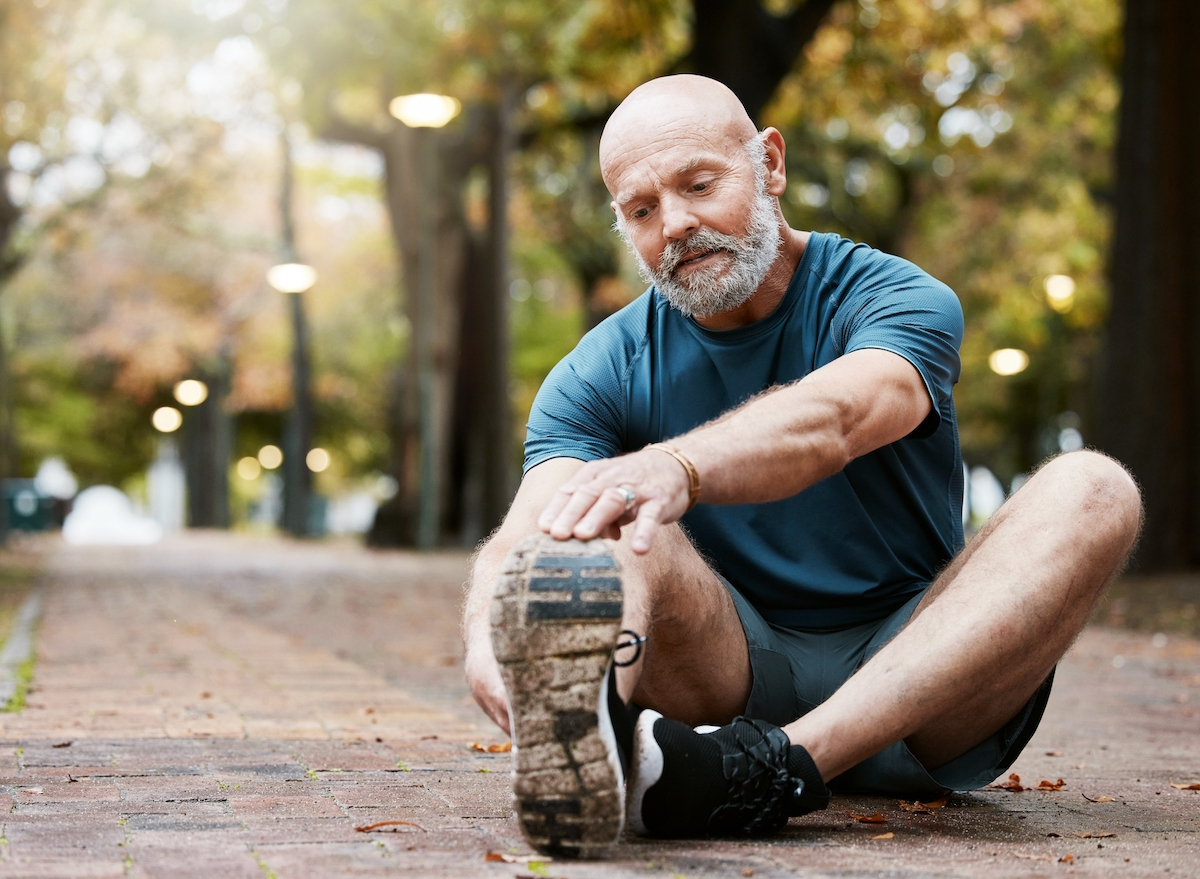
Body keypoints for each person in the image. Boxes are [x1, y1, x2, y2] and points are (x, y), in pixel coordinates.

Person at [462, 74, 1141, 858]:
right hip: (729, 679)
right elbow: (535, 520)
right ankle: (597, 747)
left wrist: (677, 465)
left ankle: (771, 769)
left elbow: (837, 418)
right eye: (643, 210)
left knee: (1096, 487)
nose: (676, 225)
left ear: (770, 165)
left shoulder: (896, 296)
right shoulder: (600, 368)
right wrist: (489, 632)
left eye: (699, 184)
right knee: (595, 517)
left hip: (922, 676)